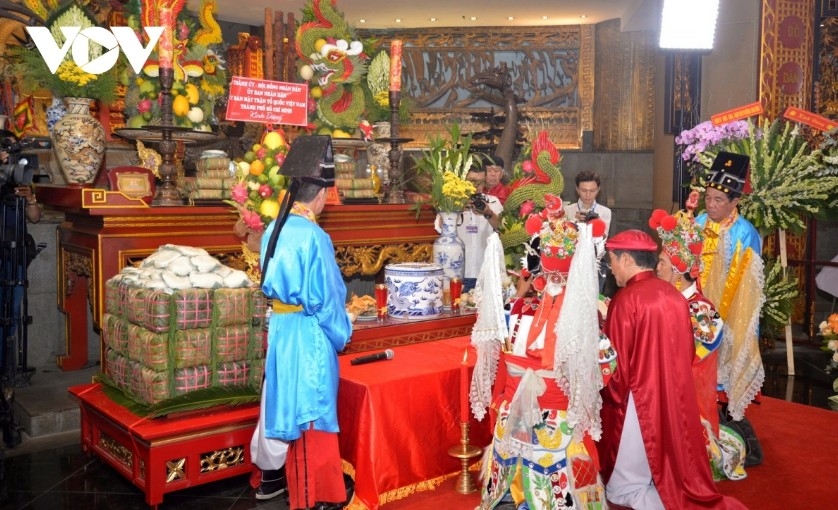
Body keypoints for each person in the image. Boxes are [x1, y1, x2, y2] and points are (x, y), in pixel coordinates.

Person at [472, 202, 616, 510]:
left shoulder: (521, 309)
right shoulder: (587, 315)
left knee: (532, 461)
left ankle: (517, 497)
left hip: (530, 411)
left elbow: (498, 356)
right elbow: (604, 368)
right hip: (549, 412)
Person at [598, 229, 746, 510]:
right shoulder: (674, 296)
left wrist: (605, 394)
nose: (611, 268)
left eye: (612, 261)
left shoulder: (626, 299)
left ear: (627, 259)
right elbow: (688, 351)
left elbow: (617, 368)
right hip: (672, 394)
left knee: (621, 491)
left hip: (636, 401)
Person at [258, 135, 353, 510]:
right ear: (323, 194)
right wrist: (342, 331)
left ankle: (292, 487)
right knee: (313, 411)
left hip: (281, 330)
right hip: (308, 332)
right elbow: (326, 298)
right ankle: (318, 495)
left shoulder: (274, 228)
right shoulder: (314, 235)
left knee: (290, 409)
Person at [649, 209, 747, 482]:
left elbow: (693, 357)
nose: (657, 268)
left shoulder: (701, 310)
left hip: (687, 394)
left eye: (662, 263)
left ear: (678, 273)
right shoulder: (668, 299)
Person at [694, 152, 765, 466]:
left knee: (724, 379)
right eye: (708, 198)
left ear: (735, 201)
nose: (711, 205)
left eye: (718, 200)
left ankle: (733, 433)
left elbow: (748, 286)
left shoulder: (745, 233)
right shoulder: (698, 223)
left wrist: (729, 321)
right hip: (696, 314)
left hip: (729, 315)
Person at [1, 141, 41, 380]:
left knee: (13, 310)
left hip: (15, 255)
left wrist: (31, 199)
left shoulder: (20, 180)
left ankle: (7, 367)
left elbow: (35, 218)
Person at [457, 165, 503, 293]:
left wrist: (488, 213)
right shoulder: (452, 202)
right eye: (472, 181)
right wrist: (457, 208)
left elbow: (502, 228)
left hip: (484, 272)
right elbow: (440, 227)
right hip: (458, 273)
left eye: (480, 182)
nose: (476, 187)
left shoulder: (493, 202)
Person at [564, 170, 612, 238]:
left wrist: (598, 224)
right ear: (577, 190)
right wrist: (574, 220)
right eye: (584, 190)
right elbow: (562, 237)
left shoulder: (605, 212)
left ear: (598, 190)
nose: (588, 195)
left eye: (592, 191)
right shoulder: (567, 210)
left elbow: (603, 238)